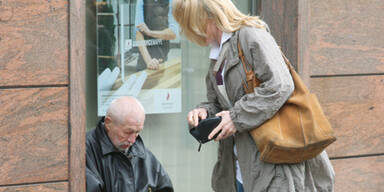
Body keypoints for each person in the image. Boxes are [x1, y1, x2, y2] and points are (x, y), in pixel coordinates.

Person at [173, 0, 335, 191]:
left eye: (189, 23)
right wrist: (205, 111)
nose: (189, 32)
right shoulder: (217, 52)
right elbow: (221, 103)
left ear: (205, 17)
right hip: (239, 167)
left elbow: (280, 85)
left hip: (273, 162)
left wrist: (236, 117)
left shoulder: (251, 35)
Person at [86, 96, 173, 192]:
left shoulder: (142, 154)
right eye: (128, 132)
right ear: (108, 123)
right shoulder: (85, 150)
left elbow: (164, 187)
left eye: (137, 132)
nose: (132, 140)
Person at [135, 0, 178, 71]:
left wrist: (150, 32)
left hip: (163, 58)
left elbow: (173, 34)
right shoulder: (141, 1)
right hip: (144, 61)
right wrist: (149, 61)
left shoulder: (171, 1)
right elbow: (138, 33)